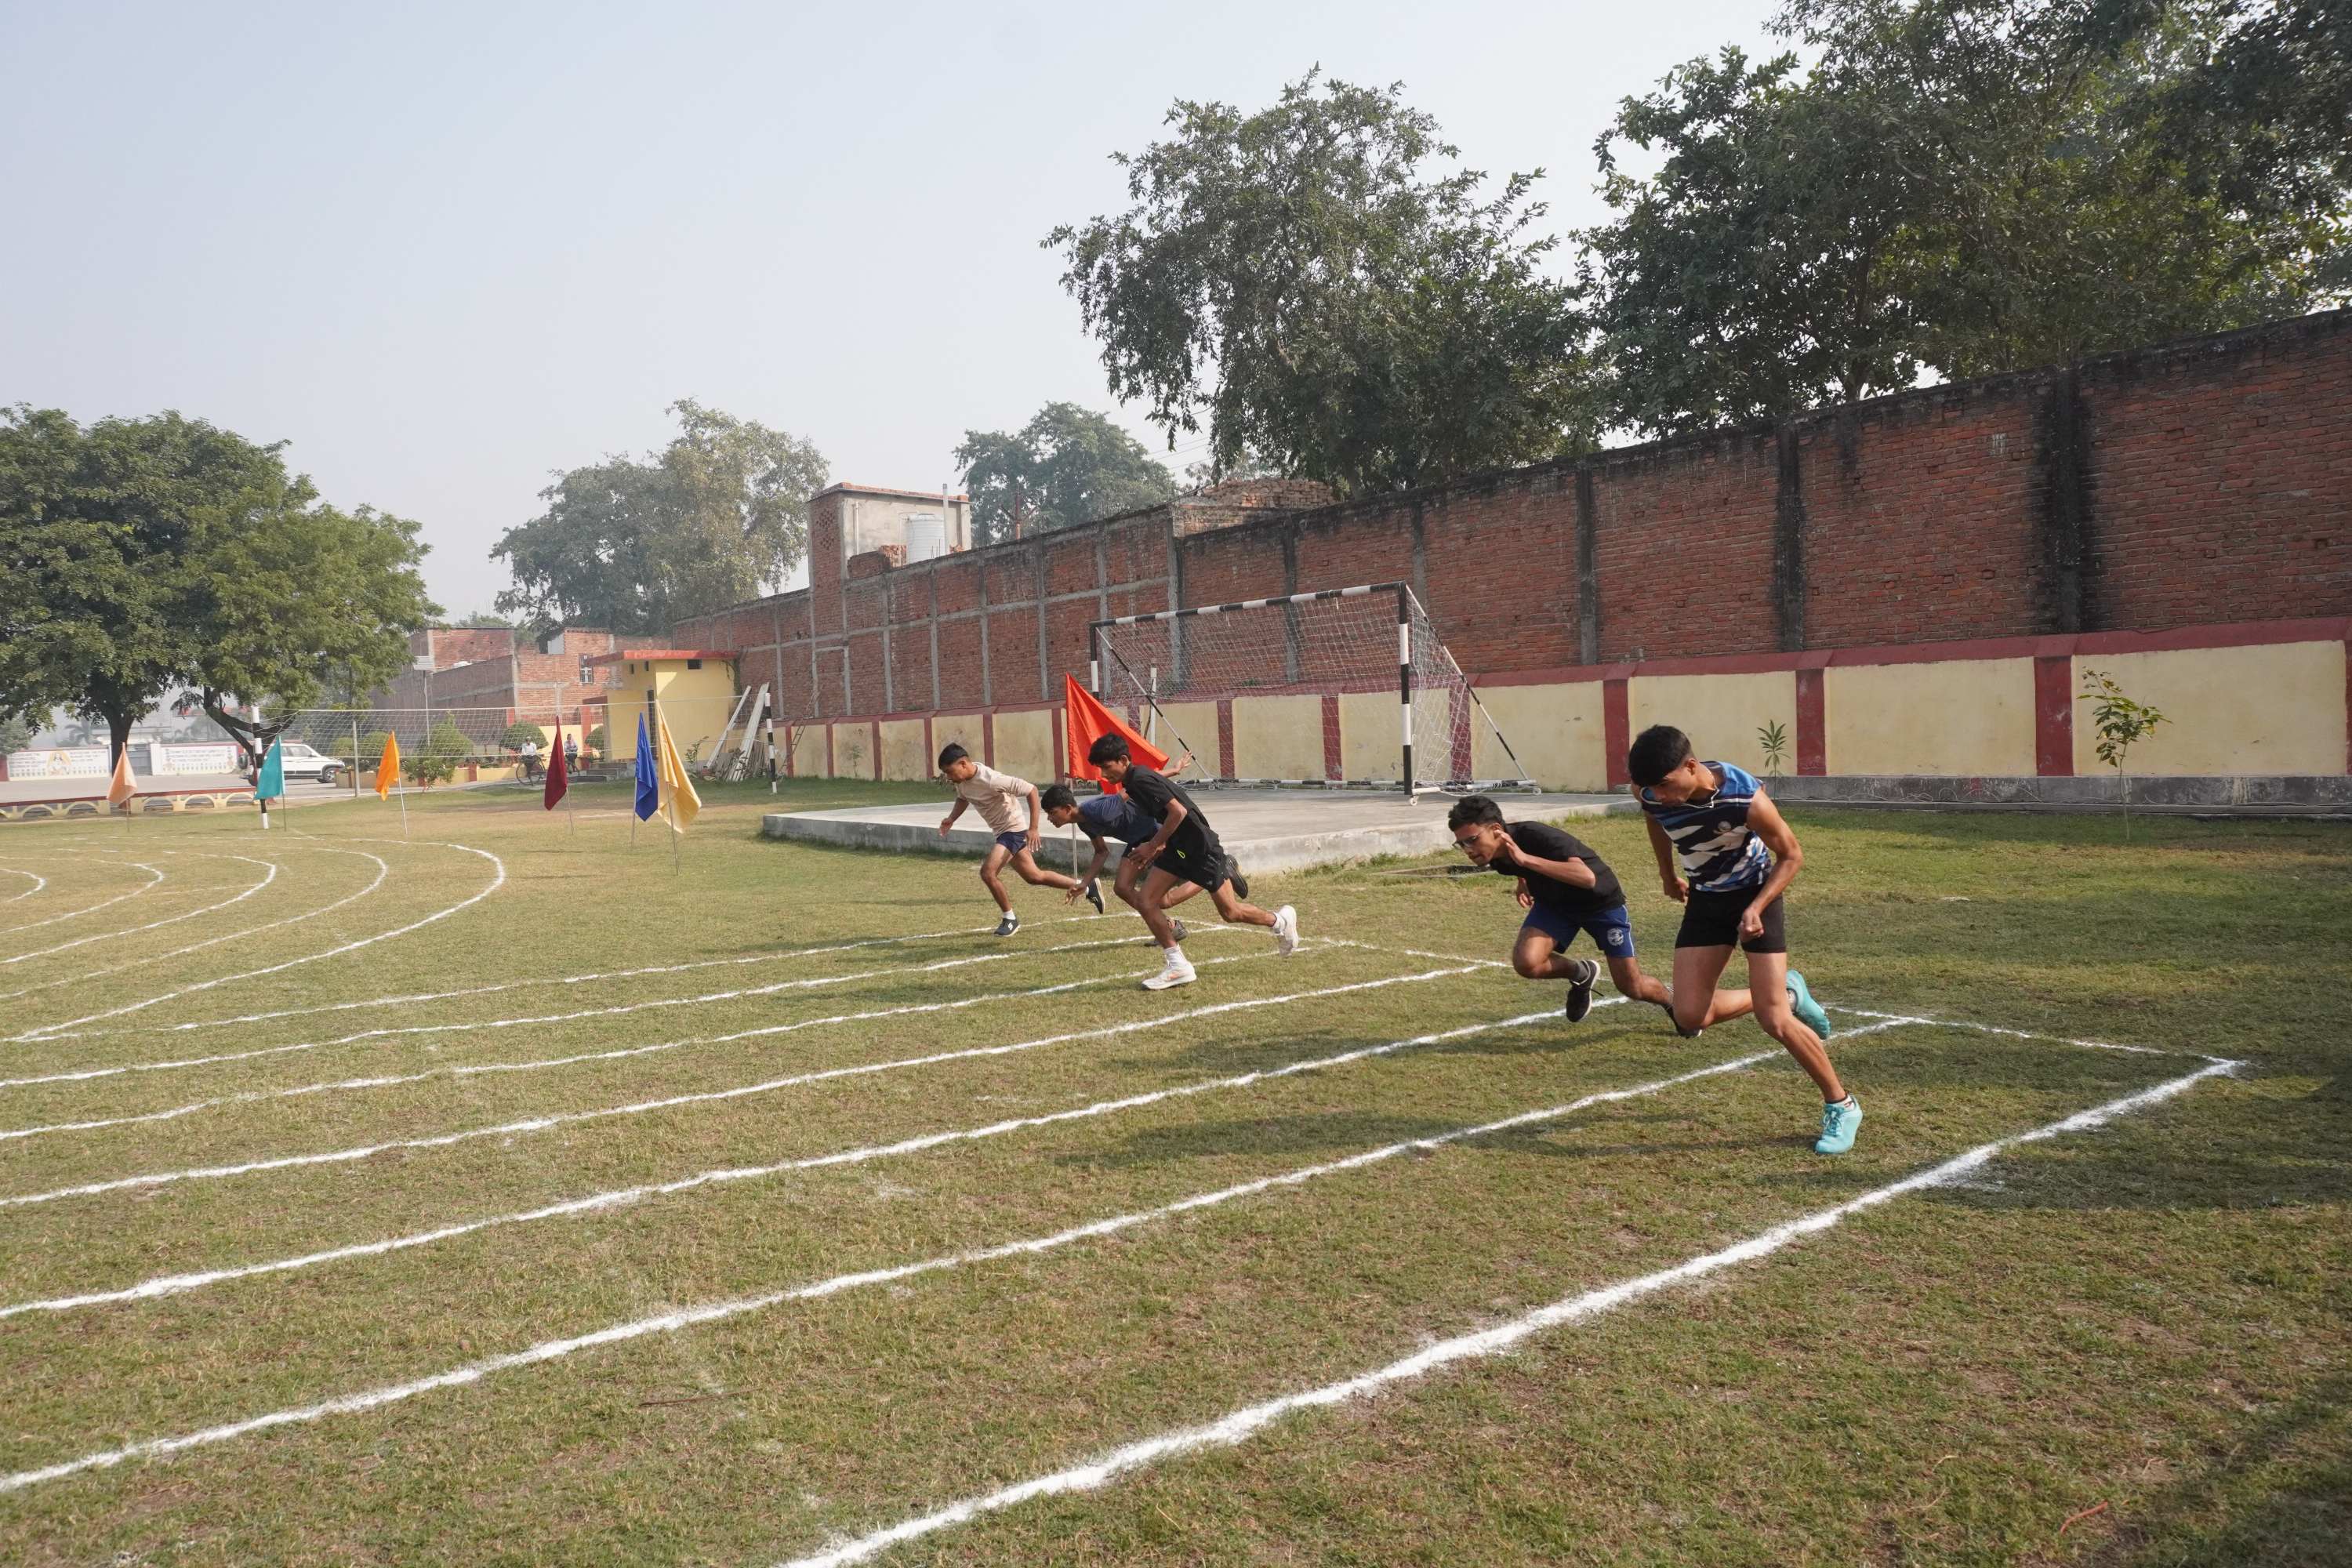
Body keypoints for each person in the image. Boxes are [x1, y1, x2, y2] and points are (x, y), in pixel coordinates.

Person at [1626, 724, 1856, 1155]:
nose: (1659, 795)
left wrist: (1756, 907)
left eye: (1665, 785)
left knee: (1775, 1021)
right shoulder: (1650, 793)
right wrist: (1666, 875)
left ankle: (1841, 1104)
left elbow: (1791, 855)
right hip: (1706, 900)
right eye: (1650, 788)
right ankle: (1788, 991)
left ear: (1691, 766)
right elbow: (1655, 819)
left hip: (1756, 896)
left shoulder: (1743, 796)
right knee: (1689, 1016)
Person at [1087, 733, 1296, 989]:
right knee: (1146, 901)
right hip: (1178, 848)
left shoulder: (1140, 779)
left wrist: (1152, 845)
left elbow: (1178, 811)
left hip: (1200, 849)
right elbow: (1164, 798)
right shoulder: (1134, 781)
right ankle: (1178, 966)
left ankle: (1280, 921)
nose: (1103, 774)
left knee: (1231, 913)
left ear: (1123, 760)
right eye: (1100, 769)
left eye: (1106, 767)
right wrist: (1159, 844)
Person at [1445, 794, 1674, 1023]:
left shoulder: (1536, 835)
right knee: (1527, 963)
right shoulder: (1495, 854)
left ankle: (1674, 1002)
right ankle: (1582, 974)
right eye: (1461, 844)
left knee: (1631, 986)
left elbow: (1586, 878)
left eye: (1472, 840)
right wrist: (1523, 880)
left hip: (1599, 904)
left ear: (1496, 829)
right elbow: (1517, 866)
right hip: (1554, 903)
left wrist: (1526, 861)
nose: (1468, 850)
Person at [1042, 761, 1251, 942]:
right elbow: (1101, 852)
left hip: (1157, 836)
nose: (1050, 818)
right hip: (1138, 841)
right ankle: (1169, 926)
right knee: (1123, 888)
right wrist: (1085, 883)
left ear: (1067, 808)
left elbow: (1138, 786)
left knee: (1162, 901)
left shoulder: (1097, 809)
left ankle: (1218, 872)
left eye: (1052, 813)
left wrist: (1172, 771)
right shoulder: (1084, 823)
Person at [936, 743, 1102, 936]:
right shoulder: (962, 783)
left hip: (1012, 830)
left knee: (988, 872)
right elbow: (963, 798)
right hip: (1001, 832)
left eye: (949, 772)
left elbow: (1031, 790)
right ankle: (1087, 886)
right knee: (1034, 876)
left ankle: (1010, 919)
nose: (949, 777)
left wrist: (1033, 828)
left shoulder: (992, 780)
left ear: (963, 763)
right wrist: (952, 819)